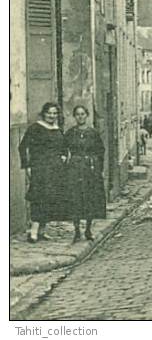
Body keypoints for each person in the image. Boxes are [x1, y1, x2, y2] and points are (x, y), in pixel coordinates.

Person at [18, 102, 67, 243]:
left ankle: (42, 231)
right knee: (39, 197)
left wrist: (63, 157)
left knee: (50, 199)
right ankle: (33, 231)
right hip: (40, 168)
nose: (52, 116)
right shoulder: (35, 128)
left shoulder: (57, 129)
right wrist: (27, 165)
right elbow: (22, 146)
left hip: (55, 170)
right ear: (44, 113)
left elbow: (63, 146)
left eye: (54, 113)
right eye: (49, 113)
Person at [65, 105, 106, 242]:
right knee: (75, 197)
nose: (80, 116)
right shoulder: (70, 133)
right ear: (74, 116)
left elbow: (101, 151)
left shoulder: (93, 133)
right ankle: (76, 230)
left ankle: (88, 229)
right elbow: (63, 149)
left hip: (90, 168)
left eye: (83, 114)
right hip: (75, 169)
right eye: (77, 114)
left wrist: (100, 169)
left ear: (87, 116)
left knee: (90, 197)